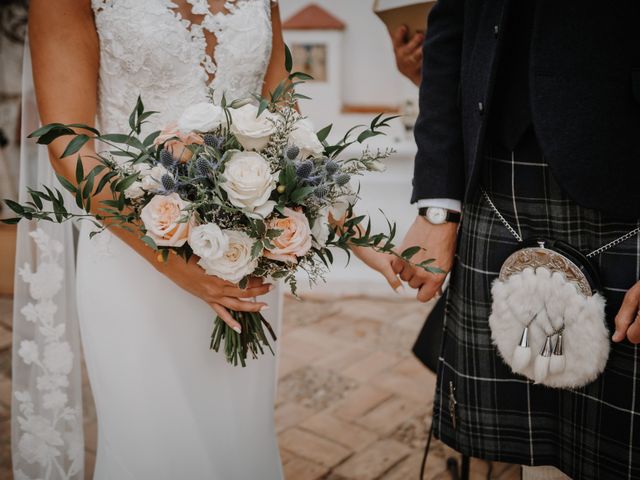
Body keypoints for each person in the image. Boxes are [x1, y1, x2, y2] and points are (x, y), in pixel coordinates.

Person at [17, 1, 398, 479]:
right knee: (152, 447)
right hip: (133, 254)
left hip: (244, 258)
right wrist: (170, 262)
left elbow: (285, 119)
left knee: (236, 443)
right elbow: (67, 145)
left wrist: (360, 235)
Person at [392, 1, 640, 479]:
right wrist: (438, 207)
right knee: (538, 460)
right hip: (495, 176)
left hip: (626, 171)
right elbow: (453, 26)